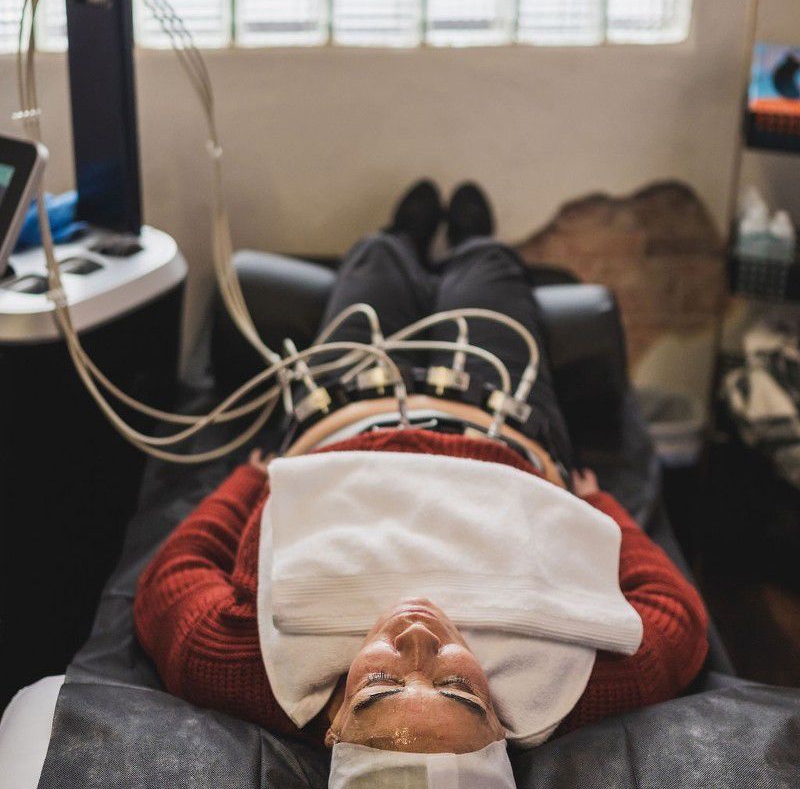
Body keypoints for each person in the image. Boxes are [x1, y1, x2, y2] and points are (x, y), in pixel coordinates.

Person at [133, 180, 709, 773]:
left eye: (378, 688)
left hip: (348, 402)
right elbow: (676, 618)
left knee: (376, 259)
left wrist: (246, 485)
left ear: (335, 728)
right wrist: (602, 506)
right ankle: (470, 238)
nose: (416, 638)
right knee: (490, 267)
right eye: (458, 689)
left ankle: (405, 234)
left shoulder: (241, 664)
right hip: (496, 411)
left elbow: (172, 578)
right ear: (499, 730)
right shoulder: (566, 689)